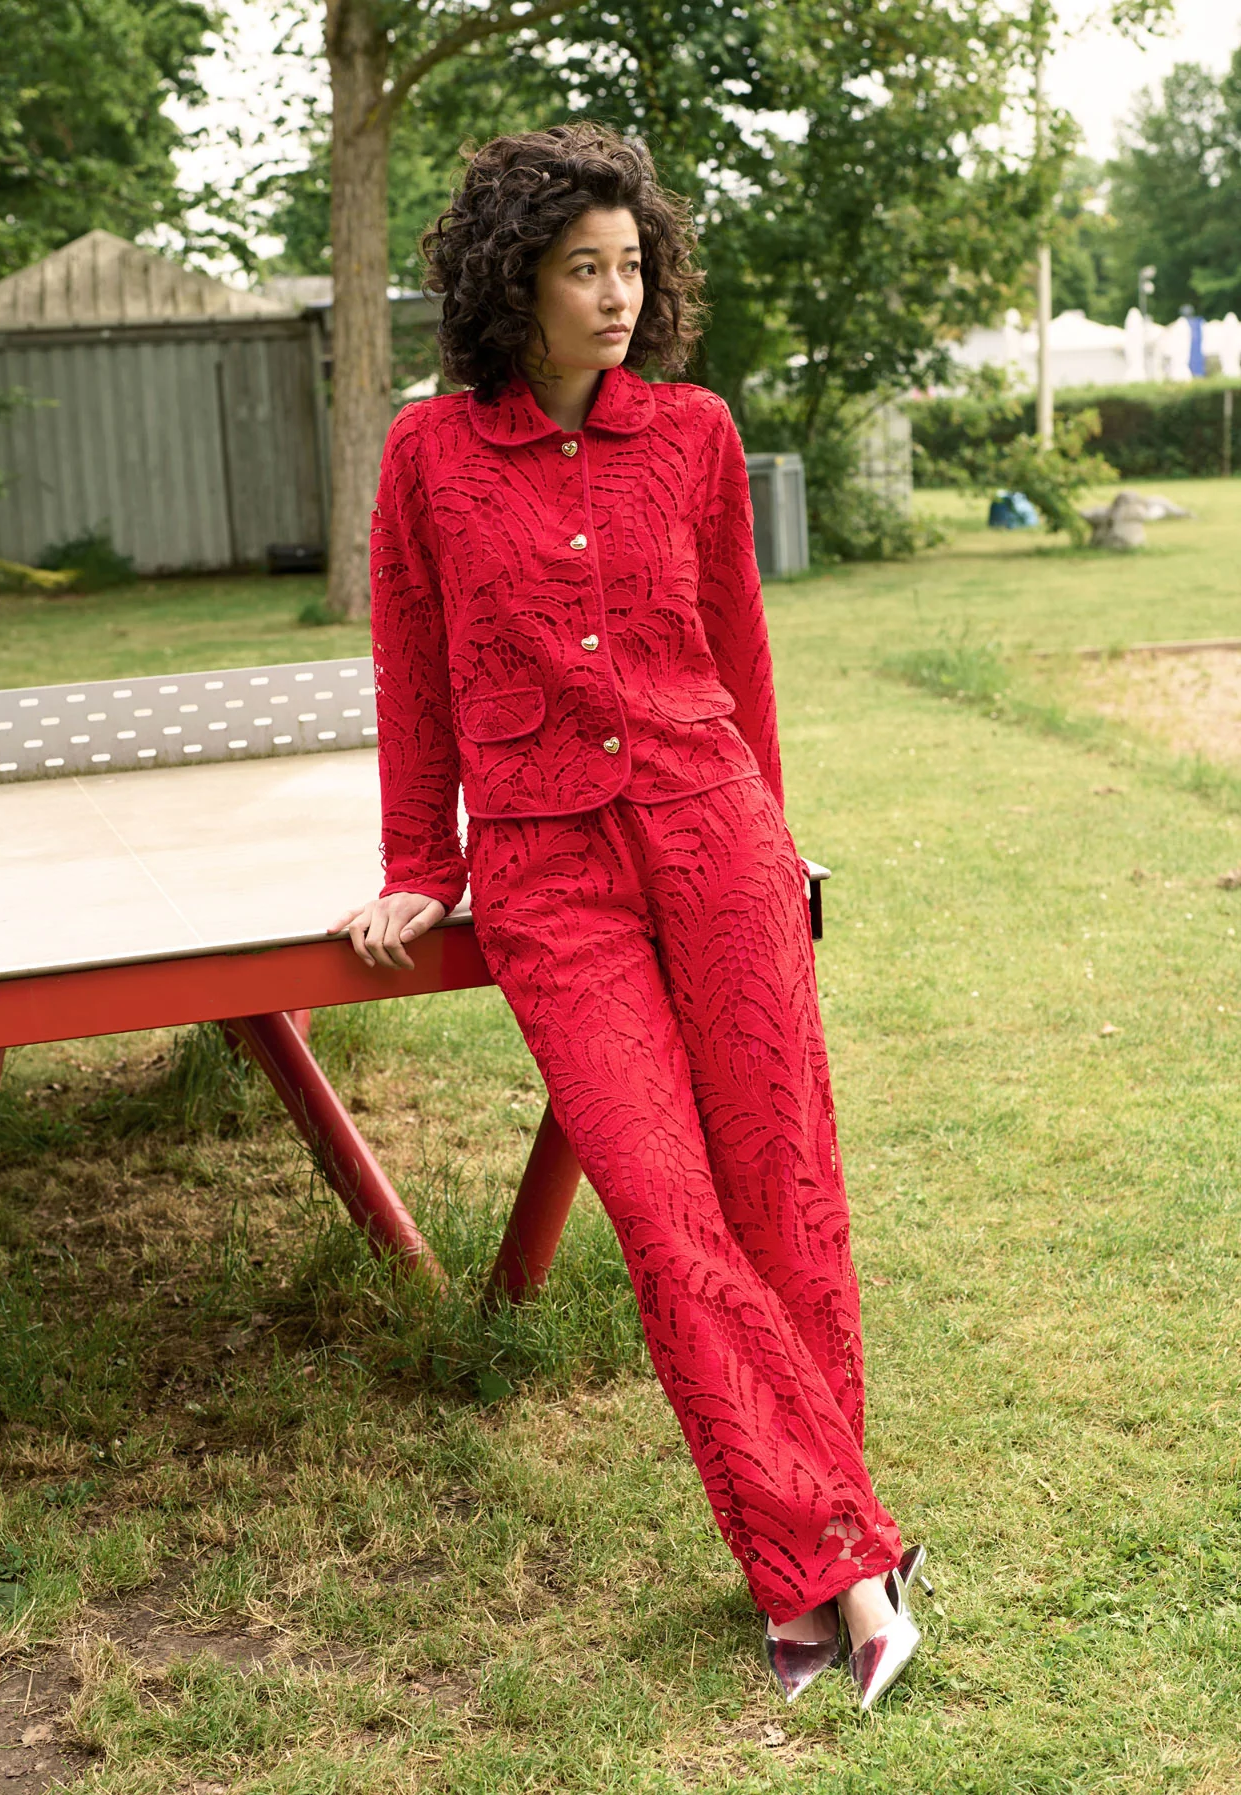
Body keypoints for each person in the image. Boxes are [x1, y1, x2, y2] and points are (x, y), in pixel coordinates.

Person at [331, 122, 928, 1711]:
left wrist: (779, 838)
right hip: (550, 876)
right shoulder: (428, 456)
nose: (618, 295)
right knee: (667, 1218)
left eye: (632, 265)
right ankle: (853, 1558)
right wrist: (422, 861)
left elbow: (738, 650)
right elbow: (413, 666)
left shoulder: (698, 435)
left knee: (783, 1190)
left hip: (715, 837)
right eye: (583, 269)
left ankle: (821, 1578)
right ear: (512, 281)